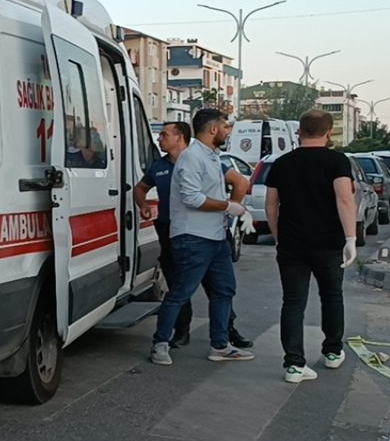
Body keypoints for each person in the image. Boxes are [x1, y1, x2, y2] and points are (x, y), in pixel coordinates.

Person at [148, 109, 254, 366]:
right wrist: (229, 206)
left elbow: (233, 185)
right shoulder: (192, 158)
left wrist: (234, 210)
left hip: (215, 236)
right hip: (193, 236)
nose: (228, 131)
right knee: (181, 291)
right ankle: (160, 343)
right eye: (225, 126)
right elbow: (192, 198)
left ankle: (220, 345)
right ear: (213, 129)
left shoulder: (212, 157)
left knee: (224, 290)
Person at [264, 110, 357, 384]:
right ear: (329, 134)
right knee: (331, 296)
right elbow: (344, 200)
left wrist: (279, 236)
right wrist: (351, 238)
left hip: (292, 244)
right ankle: (332, 351)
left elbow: (271, 206)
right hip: (328, 243)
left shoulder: (281, 163)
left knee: (293, 302)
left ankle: (293, 364)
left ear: (299, 132)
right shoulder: (337, 161)